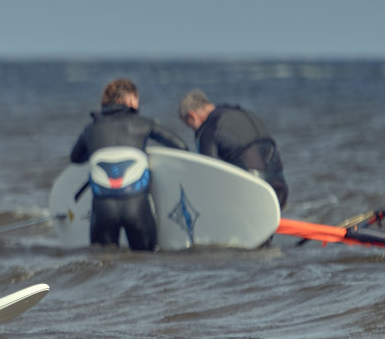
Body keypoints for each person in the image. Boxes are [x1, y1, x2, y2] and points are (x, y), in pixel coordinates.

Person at [69, 77, 189, 250]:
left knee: (102, 264)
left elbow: (75, 158)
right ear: (131, 98)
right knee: (146, 261)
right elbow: (181, 147)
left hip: (103, 208)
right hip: (136, 205)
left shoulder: (92, 128)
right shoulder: (144, 124)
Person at [177, 90, 288, 208]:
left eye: (190, 126)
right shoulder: (241, 112)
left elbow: (209, 173)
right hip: (280, 188)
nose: (193, 130)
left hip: (253, 192)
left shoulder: (208, 129)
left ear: (192, 116)